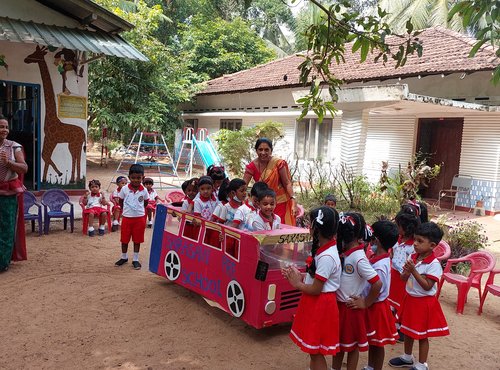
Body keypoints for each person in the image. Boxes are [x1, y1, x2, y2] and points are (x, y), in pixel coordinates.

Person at [282, 207, 341, 370]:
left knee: (315, 351)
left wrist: (297, 284)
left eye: (309, 223)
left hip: (320, 305)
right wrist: (300, 276)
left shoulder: (327, 256)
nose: (308, 225)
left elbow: (316, 289)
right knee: (313, 349)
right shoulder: (324, 249)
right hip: (317, 303)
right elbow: (316, 279)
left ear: (316, 229)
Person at [388, 222, 449, 370]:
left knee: (422, 335)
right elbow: (403, 279)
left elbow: (427, 285)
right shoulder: (413, 256)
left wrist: (413, 271)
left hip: (424, 303)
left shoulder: (433, 264)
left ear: (432, 245)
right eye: (415, 239)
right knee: (407, 330)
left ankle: (422, 364)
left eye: (420, 241)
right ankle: (407, 357)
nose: (415, 244)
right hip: (410, 299)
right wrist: (406, 272)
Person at [333, 212, 382, 370]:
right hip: (341, 307)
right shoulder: (347, 253)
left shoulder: (358, 258)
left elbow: (377, 283)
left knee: (352, 346)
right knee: (339, 344)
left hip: (351, 309)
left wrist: (365, 303)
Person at [360, 220, 400, 370]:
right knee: (373, 340)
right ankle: (370, 366)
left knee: (378, 342)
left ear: (376, 239)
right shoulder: (378, 258)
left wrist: (366, 303)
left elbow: (377, 288)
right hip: (373, 305)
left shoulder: (381, 265)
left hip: (375, 308)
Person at [243, 138, 297, 226]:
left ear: (271, 151)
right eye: (260, 149)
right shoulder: (252, 166)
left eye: (266, 150)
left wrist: (294, 201)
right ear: (256, 150)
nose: (263, 153)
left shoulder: (278, 163)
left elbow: (287, 183)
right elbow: (243, 186)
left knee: (281, 231)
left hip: (280, 203)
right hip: (262, 204)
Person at [0, 114, 28, 272]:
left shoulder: (14, 147)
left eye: (6, 127)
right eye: (1, 127)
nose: (4, 130)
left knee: (6, 228)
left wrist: (8, 163)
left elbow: (24, 168)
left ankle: (2, 262)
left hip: (8, 195)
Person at [388, 208, 421, 340]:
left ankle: (401, 327)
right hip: (395, 274)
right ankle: (393, 325)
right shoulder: (398, 239)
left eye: (399, 226)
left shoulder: (412, 246)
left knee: (402, 301)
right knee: (393, 299)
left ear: (406, 229)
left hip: (406, 277)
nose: (397, 228)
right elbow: (393, 251)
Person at [115, 164, 149, 270]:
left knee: (137, 240)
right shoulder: (124, 189)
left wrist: (138, 211)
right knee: (124, 239)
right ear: (129, 177)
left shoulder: (144, 190)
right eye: (133, 178)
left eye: (138, 178)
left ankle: (135, 259)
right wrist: (126, 210)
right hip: (127, 218)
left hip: (139, 219)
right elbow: (121, 201)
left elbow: (145, 203)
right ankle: (124, 257)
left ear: (143, 178)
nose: (135, 180)